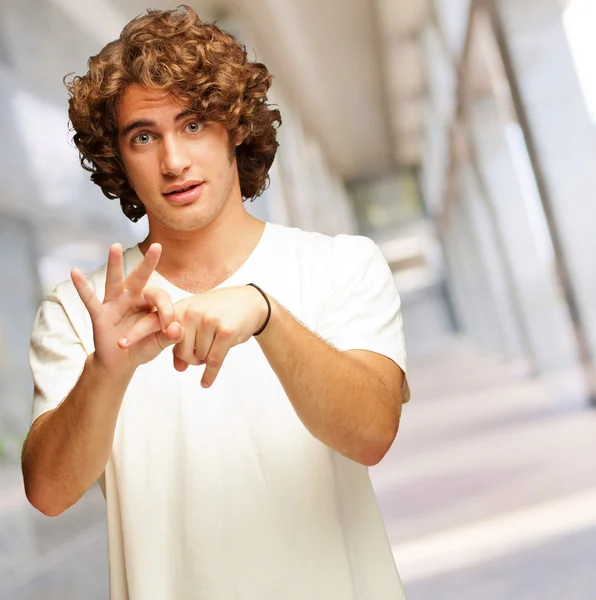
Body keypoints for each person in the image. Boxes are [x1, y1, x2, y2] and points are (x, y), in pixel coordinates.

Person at [21, 6, 410, 599]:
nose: (173, 161)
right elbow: (48, 494)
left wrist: (268, 315)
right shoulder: (82, 309)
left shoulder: (339, 265)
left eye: (195, 124)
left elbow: (372, 434)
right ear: (118, 158)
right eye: (144, 136)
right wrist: (106, 371)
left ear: (237, 129)